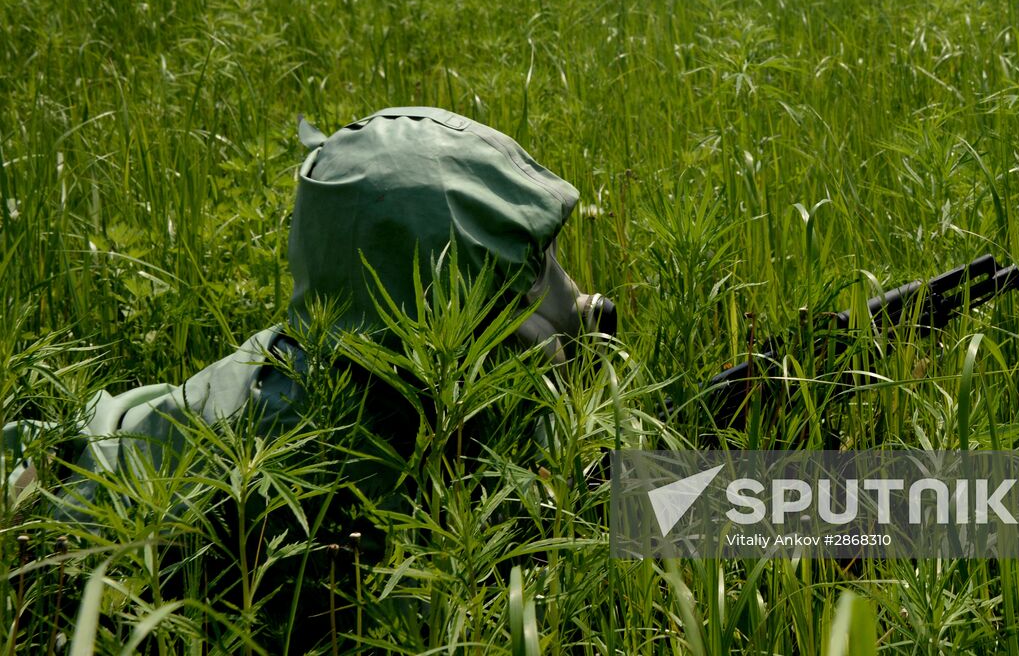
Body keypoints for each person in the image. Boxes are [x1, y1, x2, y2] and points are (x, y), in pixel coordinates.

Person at [4, 107, 614, 514]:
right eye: (532, 263)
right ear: (439, 295)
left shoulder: (422, 380)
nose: (567, 288)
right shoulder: (318, 453)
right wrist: (697, 485)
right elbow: (551, 520)